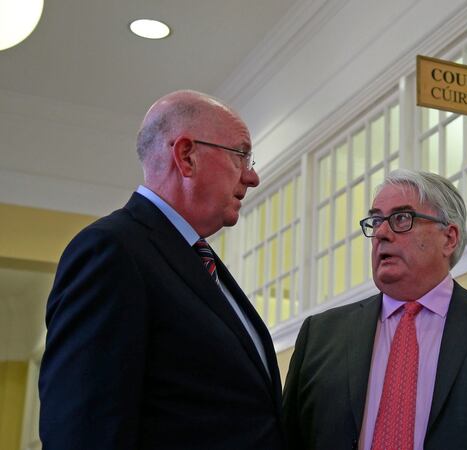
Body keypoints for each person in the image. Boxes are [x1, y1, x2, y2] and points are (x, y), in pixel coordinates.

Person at [39, 90, 285, 449]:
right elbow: (82, 429)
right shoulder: (112, 250)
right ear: (187, 156)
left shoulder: (199, 262)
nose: (252, 177)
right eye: (241, 156)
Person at [283, 169, 467, 450]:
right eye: (376, 221)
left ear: (449, 238)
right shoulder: (319, 337)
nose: (381, 233)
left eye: (401, 218)